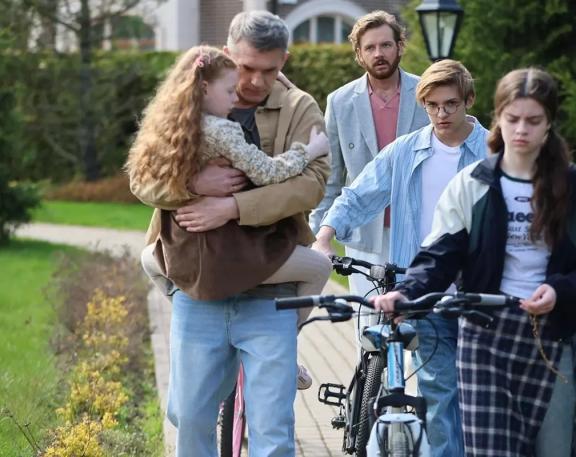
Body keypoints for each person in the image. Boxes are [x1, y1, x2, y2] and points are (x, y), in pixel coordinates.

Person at [372, 68, 576, 457]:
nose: (521, 130)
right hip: (484, 337)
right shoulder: (473, 183)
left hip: (552, 336)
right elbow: (439, 255)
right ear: (499, 118)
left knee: (552, 450)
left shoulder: (574, 188)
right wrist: (408, 293)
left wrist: (559, 291)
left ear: (549, 123)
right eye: (512, 118)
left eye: (533, 120)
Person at [130, 11, 329, 457]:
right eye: (246, 67)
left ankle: (288, 346)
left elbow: (313, 183)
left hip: (268, 289)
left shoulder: (300, 107)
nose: (255, 81)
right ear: (225, 55)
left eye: (270, 70)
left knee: (273, 432)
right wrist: (191, 185)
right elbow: (142, 179)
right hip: (198, 286)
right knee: (187, 417)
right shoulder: (185, 103)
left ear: (285, 60)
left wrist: (233, 207)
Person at [313, 59, 486, 457]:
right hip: (422, 291)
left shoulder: (493, 152)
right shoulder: (406, 151)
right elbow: (359, 195)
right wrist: (325, 236)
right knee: (438, 394)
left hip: (477, 294)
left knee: (478, 399)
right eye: (432, 105)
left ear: (468, 100)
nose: (441, 114)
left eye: (451, 104)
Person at [309, 10, 429, 299]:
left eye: (386, 45)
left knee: (417, 320)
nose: (379, 53)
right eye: (370, 47)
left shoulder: (426, 93)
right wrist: (318, 233)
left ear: (399, 46)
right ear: (359, 55)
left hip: (419, 231)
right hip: (364, 235)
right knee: (368, 321)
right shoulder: (339, 102)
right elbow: (331, 175)